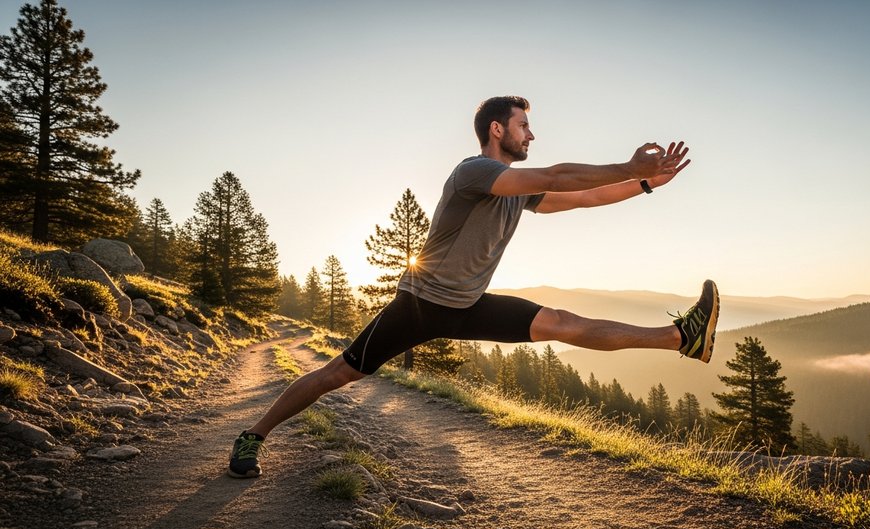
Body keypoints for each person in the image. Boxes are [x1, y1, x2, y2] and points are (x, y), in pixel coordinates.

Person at [228, 96, 719, 478]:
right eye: (525, 125)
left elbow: (584, 195)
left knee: (565, 324)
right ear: (497, 129)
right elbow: (555, 174)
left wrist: (647, 184)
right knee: (334, 374)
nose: (533, 133)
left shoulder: (519, 191)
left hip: (467, 306)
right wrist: (630, 166)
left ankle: (682, 337)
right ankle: (253, 435)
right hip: (419, 305)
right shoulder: (475, 172)